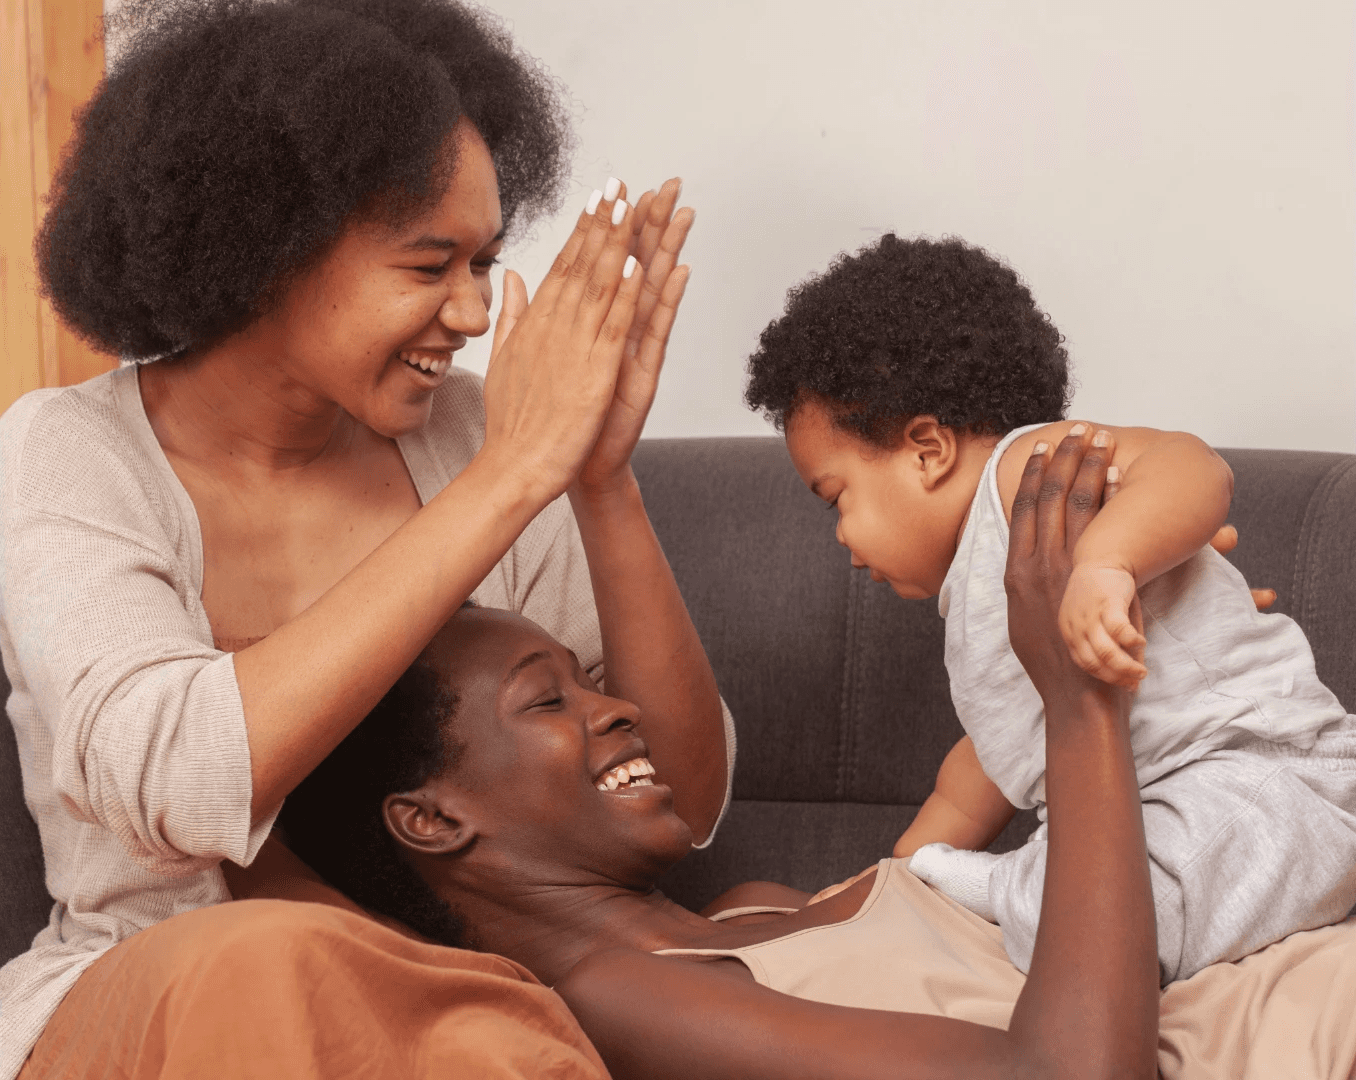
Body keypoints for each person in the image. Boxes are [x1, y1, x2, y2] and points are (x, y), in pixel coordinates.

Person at [0, 0, 734, 1076]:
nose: (475, 312)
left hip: (452, 1000)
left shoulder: (476, 437)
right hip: (160, 993)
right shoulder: (67, 453)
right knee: (279, 957)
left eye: (484, 263)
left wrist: (600, 483)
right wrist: (510, 480)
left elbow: (680, 798)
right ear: (266, 248)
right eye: (429, 264)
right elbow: (174, 784)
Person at [273, 430, 1355, 1080]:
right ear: (432, 817)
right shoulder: (620, 996)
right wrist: (1084, 709)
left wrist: (1157, 647)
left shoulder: (748, 909)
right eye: (549, 698)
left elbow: (989, 828)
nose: (619, 713)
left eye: (592, 681)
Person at [741, 233, 1356, 983]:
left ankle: (1000, 892)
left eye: (837, 499)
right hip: (1164, 815)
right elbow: (980, 773)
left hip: (1262, 778)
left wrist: (1108, 562)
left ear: (928, 450)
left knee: (1085, 928)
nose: (841, 537)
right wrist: (895, 880)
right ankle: (981, 889)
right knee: (1065, 904)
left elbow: (1192, 467)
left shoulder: (1027, 476)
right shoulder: (977, 602)